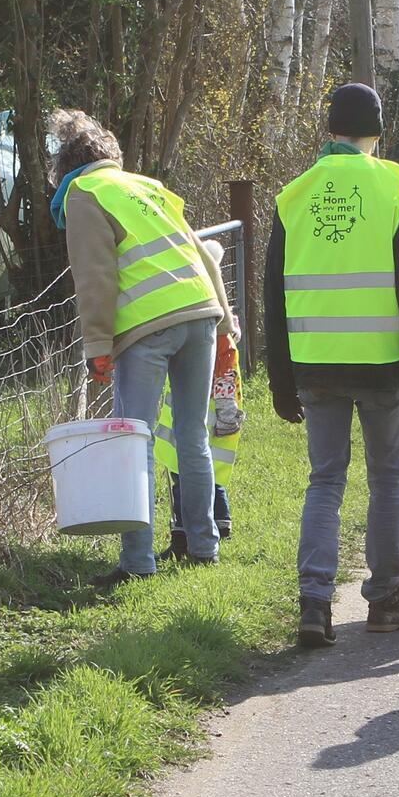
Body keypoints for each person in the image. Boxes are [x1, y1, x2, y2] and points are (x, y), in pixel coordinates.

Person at [265, 83, 399, 648]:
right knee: (387, 479)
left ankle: (314, 603)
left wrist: (280, 381)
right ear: (378, 131)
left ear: (330, 130)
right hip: (380, 364)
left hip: (314, 365)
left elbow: (273, 296)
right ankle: (385, 599)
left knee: (325, 479)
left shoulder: (294, 195)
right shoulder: (393, 189)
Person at [49, 110, 236, 588]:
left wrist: (96, 344)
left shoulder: (83, 194)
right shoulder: (148, 187)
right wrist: (225, 323)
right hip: (200, 312)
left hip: (147, 326)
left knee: (135, 443)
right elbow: (201, 253)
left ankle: (138, 561)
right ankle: (204, 547)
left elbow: (95, 277)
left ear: (65, 165)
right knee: (192, 436)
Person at [155, 239, 243, 560]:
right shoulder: (222, 323)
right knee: (208, 462)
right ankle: (219, 520)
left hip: (201, 404)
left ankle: (186, 531)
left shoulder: (208, 327)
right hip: (216, 403)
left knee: (186, 464)